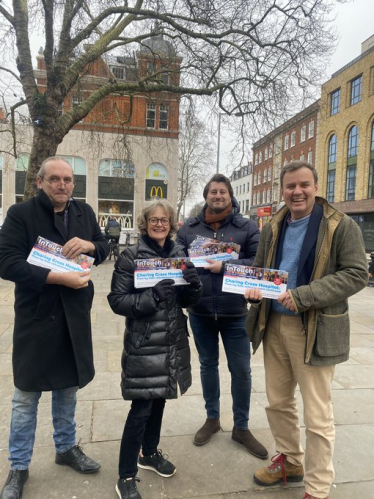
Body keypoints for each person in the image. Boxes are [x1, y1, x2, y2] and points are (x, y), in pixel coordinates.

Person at [244, 161, 368, 499]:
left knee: (317, 413)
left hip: (312, 326)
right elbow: (260, 270)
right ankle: (290, 461)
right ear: (282, 190)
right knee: (278, 402)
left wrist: (303, 296)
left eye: (303, 185)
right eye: (290, 186)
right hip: (273, 325)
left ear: (316, 187)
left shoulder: (340, 226)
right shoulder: (272, 225)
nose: (296, 192)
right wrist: (252, 288)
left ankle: (317, 486)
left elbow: (357, 273)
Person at [0, 157, 109, 499]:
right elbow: (6, 261)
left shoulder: (84, 212)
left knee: (68, 388)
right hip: (37, 316)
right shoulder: (21, 215)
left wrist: (91, 245)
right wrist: (54, 277)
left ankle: (65, 449)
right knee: (25, 397)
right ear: (40, 182)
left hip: (73, 315)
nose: (63, 185)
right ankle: (18, 467)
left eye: (68, 180)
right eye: (55, 179)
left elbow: (104, 247)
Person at [107, 199, 202, 499]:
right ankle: (125, 475)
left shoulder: (179, 253)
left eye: (165, 220)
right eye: (154, 220)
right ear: (144, 223)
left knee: (160, 399)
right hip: (145, 343)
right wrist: (150, 298)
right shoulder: (130, 256)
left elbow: (186, 301)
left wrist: (194, 286)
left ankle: (149, 453)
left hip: (172, 341)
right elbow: (117, 300)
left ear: (172, 224)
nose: (159, 224)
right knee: (141, 408)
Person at [176, 173, 268, 459]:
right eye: (213, 191)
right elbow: (177, 256)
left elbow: (258, 261)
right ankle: (212, 419)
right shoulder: (189, 228)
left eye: (223, 192)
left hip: (235, 312)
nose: (218, 196)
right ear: (206, 196)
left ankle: (241, 427)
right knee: (207, 365)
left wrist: (224, 266)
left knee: (241, 370)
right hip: (200, 310)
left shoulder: (247, 227)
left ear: (230, 196)